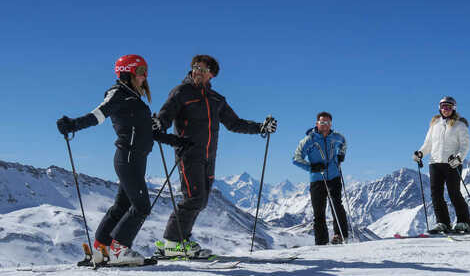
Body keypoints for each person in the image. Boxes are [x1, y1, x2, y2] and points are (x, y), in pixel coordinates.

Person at [56, 55, 186, 265]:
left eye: (146, 71)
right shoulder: (118, 94)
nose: (145, 75)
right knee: (142, 206)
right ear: (128, 72)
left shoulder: (134, 98)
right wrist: (73, 124)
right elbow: (98, 115)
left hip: (136, 159)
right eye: (141, 70)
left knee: (121, 206)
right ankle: (119, 250)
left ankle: (101, 250)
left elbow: (150, 132)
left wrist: (178, 141)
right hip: (128, 158)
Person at [153, 55, 277, 257]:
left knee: (201, 201)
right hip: (188, 154)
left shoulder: (216, 99)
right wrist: (159, 124)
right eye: (195, 68)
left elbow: (234, 123)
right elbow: (166, 116)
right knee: (193, 198)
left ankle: (181, 241)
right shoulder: (181, 92)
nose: (197, 72)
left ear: (212, 74)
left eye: (202, 69)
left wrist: (261, 128)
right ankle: (171, 242)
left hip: (209, 156)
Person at [413, 96, 470, 234]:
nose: (446, 109)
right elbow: (428, 144)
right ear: (439, 108)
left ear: (454, 108)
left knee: (454, 192)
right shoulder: (435, 125)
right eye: (443, 106)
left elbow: (465, 145)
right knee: (436, 194)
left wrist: (459, 158)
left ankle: (464, 222)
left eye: (449, 107)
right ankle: (443, 222)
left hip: (452, 163)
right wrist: (420, 153)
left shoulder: (460, 125)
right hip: (435, 163)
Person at [293, 112, 348, 245]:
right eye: (322, 122)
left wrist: (341, 156)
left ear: (331, 124)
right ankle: (321, 242)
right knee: (319, 211)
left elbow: (344, 144)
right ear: (317, 123)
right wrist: (312, 167)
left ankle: (340, 236)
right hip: (317, 179)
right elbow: (296, 158)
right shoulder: (309, 140)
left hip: (334, 176)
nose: (325, 125)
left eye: (328, 123)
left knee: (337, 205)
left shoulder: (337, 137)